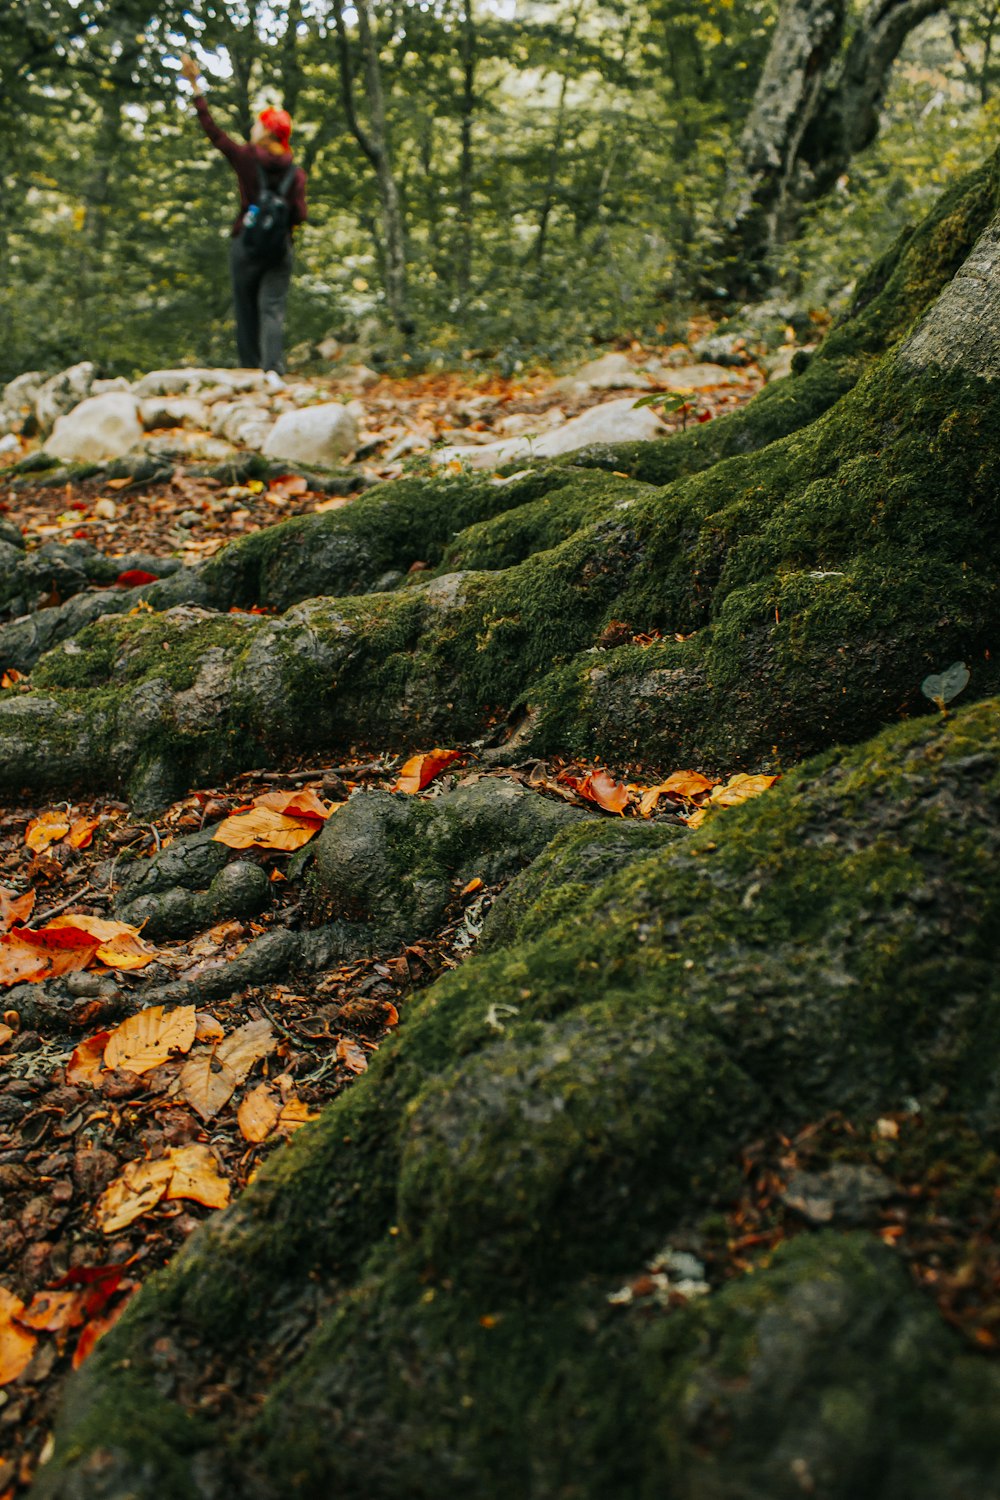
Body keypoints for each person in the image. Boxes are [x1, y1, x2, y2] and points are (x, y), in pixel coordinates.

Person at [179, 53, 307, 379]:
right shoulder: (296, 172)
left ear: (265, 133)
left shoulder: (247, 158)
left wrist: (196, 88)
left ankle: (249, 373)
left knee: (246, 310)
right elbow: (300, 215)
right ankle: (273, 372)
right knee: (272, 309)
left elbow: (215, 134)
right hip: (280, 249)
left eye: (259, 123)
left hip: (246, 245)